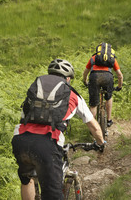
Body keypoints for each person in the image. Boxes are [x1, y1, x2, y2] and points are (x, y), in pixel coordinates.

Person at [12, 58, 106, 200]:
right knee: (53, 195)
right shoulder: (72, 94)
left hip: (20, 140)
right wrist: (100, 143)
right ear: (67, 78)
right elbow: (93, 125)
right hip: (47, 144)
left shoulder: (35, 90)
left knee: (27, 179)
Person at [82, 42, 123, 128]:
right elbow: (119, 75)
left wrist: (85, 81)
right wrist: (119, 86)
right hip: (108, 77)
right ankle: (108, 120)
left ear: (98, 51)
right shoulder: (112, 59)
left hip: (94, 77)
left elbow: (85, 72)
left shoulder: (93, 58)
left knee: (93, 104)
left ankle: (93, 126)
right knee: (109, 97)